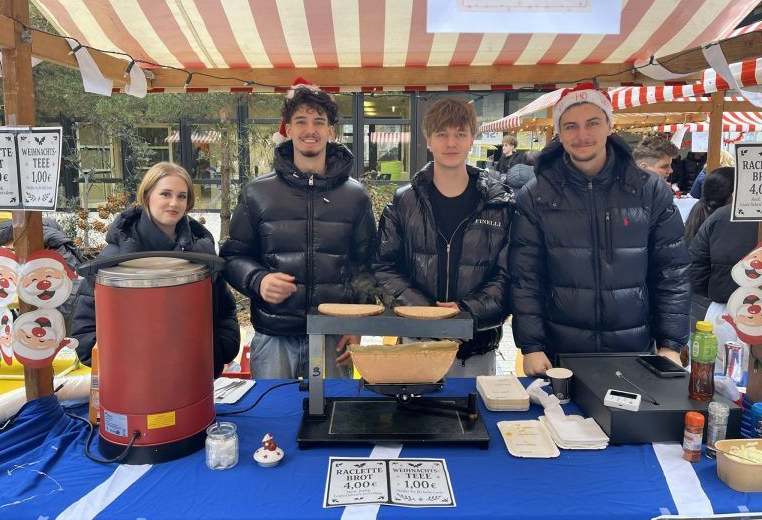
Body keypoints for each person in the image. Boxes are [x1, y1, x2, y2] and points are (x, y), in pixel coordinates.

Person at [508, 83, 691, 376]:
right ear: (560, 133)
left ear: (609, 125)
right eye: (571, 126)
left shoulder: (648, 189)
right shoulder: (537, 194)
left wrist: (671, 344)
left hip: (635, 350)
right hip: (561, 354)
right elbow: (525, 277)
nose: (582, 135)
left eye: (592, 123)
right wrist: (531, 346)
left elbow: (671, 271)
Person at [220, 79, 376, 379]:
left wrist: (358, 324)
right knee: (274, 421)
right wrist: (258, 279)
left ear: (331, 131)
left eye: (319, 122)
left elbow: (367, 265)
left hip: (334, 336)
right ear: (288, 129)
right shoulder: (257, 193)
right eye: (301, 121)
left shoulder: (355, 196)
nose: (310, 130)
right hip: (274, 335)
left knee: (332, 420)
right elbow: (232, 256)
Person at [373, 98, 513, 376]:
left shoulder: (500, 204)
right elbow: (383, 269)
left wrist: (465, 314)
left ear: (472, 139)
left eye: (460, 134)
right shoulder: (404, 202)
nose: (451, 143)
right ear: (429, 141)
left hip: (476, 350)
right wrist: (430, 318)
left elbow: (510, 274)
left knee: (475, 418)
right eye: (442, 134)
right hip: (416, 344)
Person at [71, 162, 240, 379]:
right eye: (165, 194)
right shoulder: (115, 259)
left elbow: (225, 313)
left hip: (195, 383)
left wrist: (215, 353)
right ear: (147, 196)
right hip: (136, 390)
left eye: (181, 196)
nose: (174, 203)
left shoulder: (202, 254)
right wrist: (135, 367)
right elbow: (86, 333)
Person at [688, 167, 758, 327]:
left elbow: (696, 268)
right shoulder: (721, 216)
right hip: (724, 307)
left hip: (717, 307)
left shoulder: (714, 216)